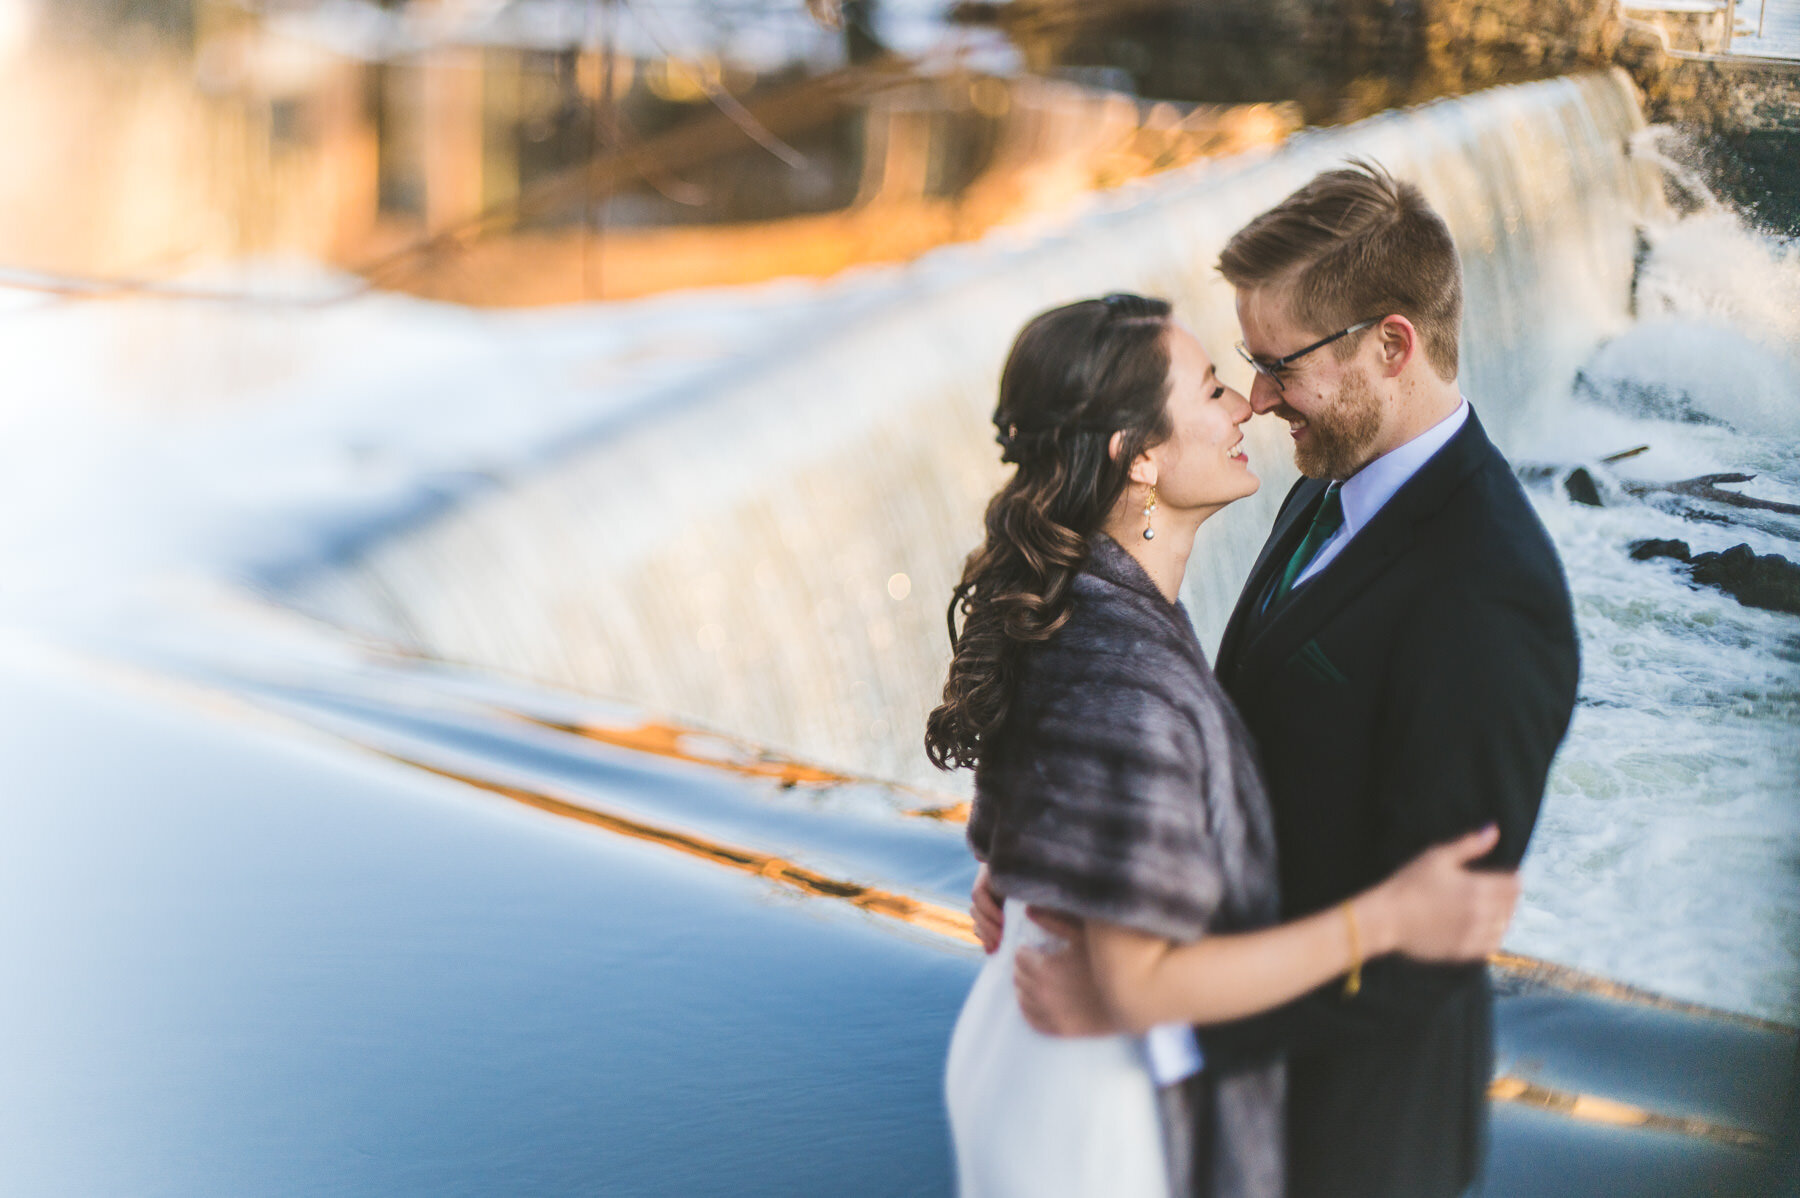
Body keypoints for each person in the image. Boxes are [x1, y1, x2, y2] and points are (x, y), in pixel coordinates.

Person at [1001, 163, 1582, 1198]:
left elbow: (1427, 945)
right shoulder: (1329, 482)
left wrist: (1144, 1015)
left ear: (1391, 347)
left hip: (1353, 1138)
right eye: (1246, 364)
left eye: (1281, 364)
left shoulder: (1491, 593)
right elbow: (1220, 754)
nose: (1261, 399)